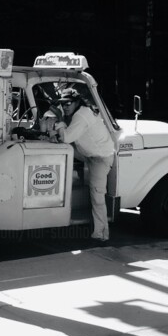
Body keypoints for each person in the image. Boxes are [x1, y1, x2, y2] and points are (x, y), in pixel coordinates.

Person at [51, 88, 115, 242]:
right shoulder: (80, 111)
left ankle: (101, 234)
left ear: (77, 102)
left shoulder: (81, 115)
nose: (65, 106)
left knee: (97, 195)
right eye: (62, 103)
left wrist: (59, 121)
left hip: (100, 158)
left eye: (68, 103)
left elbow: (66, 137)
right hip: (88, 154)